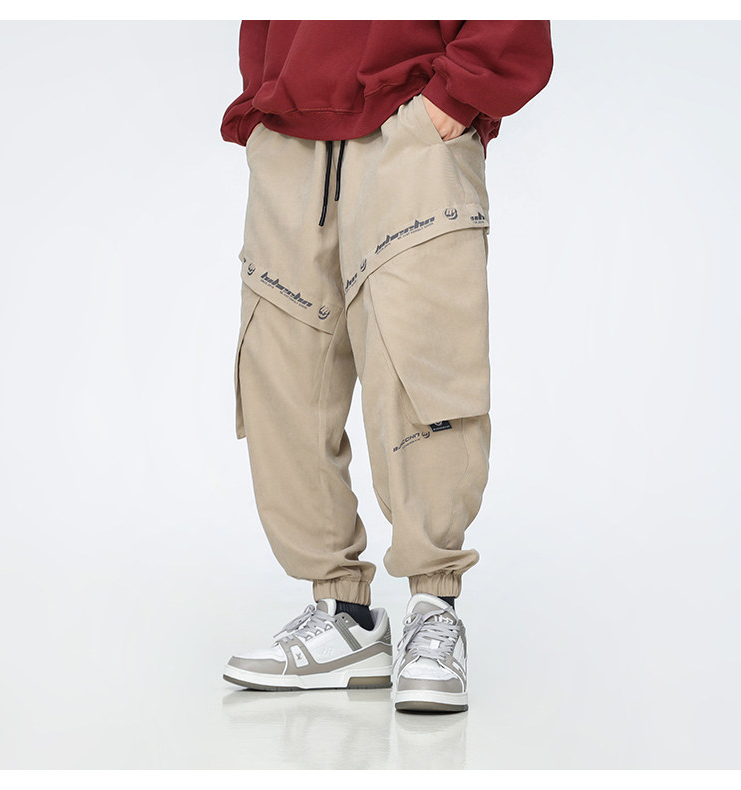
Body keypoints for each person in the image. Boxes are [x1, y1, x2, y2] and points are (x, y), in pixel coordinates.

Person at [219, 20, 553, 713]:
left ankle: (434, 608)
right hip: (289, 126)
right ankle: (343, 618)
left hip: (412, 117)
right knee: (282, 377)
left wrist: (456, 97)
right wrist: (261, 100)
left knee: (423, 365)